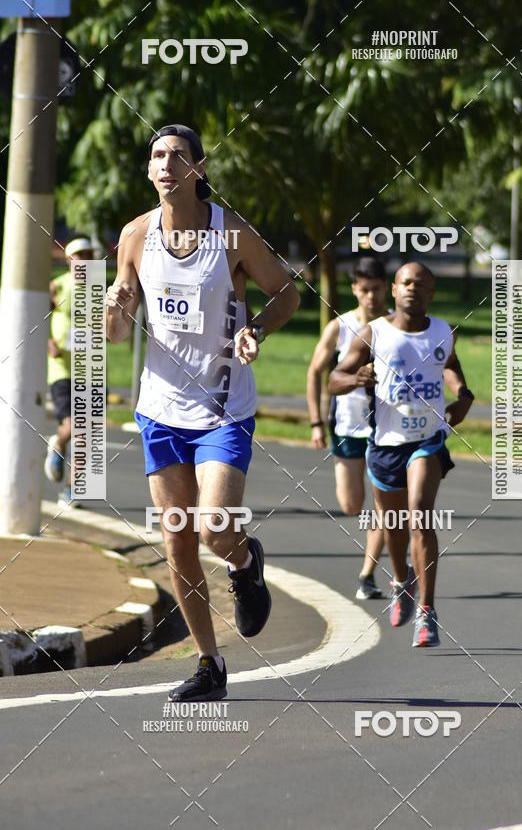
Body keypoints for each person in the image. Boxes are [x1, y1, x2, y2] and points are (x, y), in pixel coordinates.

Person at [105, 124, 299, 701]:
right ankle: (209, 664)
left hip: (222, 405)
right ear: (149, 170)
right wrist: (116, 306)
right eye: (157, 156)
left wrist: (254, 328)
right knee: (177, 541)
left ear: (199, 168)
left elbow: (286, 293)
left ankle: (244, 562)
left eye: (177, 155)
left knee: (214, 526)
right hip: (160, 409)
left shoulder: (231, 233)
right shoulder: (135, 235)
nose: (166, 164)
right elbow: (117, 333)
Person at [329, 262, 474, 646]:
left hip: (428, 439)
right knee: (393, 525)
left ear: (431, 293)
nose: (412, 288)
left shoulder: (442, 331)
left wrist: (463, 395)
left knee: (420, 514)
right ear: (394, 290)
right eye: (405, 283)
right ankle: (400, 579)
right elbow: (334, 379)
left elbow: (450, 365)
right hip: (385, 443)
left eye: (420, 284)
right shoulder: (373, 333)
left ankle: (427, 612)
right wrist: (355, 378)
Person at [307, 256, 388, 600]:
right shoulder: (339, 327)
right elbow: (315, 372)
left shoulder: (395, 326)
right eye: (364, 289)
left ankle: (367, 574)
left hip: (386, 429)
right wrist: (316, 422)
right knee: (351, 504)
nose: (371, 296)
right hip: (345, 426)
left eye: (377, 289)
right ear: (355, 289)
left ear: (387, 289)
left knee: (385, 505)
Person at [44, 237, 95, 506]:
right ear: (68, 259)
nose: (84, 259)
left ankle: (72, 489)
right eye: (79, 255)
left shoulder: (99, 289)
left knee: (85, 432)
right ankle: (59, 443)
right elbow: (39, 317)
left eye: (88, 255)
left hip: (90, 369)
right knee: (75, 425)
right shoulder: (58, 286)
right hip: (62, 368)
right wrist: (49, 342)